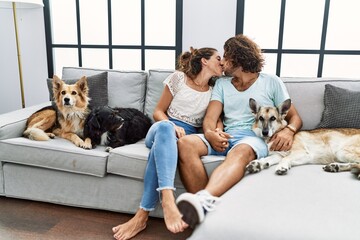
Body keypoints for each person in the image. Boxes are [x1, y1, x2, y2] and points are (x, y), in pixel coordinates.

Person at [175, 34, 303, 228]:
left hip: (252, 138)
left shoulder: (271, 82)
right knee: (185, 144)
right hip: (225, 135)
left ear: (238, 58)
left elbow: (295, 117)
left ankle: (203, 201)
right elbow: (210, 119)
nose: (222, 62)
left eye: (225, 56)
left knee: (241, 152)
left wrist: (289, 131)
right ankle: (205, 210)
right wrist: (210, 133)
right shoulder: (222, 84)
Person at [112, 47, 223, 240]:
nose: (222, 62)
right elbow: (158, 112)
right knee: (164, 129)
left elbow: (215, 118)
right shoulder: (178, 78)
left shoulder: (214, 90)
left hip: (183, 137)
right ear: (204, 61)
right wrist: (170, 125)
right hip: (161, 129)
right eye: (218, 58)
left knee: (161, 151)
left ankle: (141, 217)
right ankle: (168, 199)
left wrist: (218, 129)